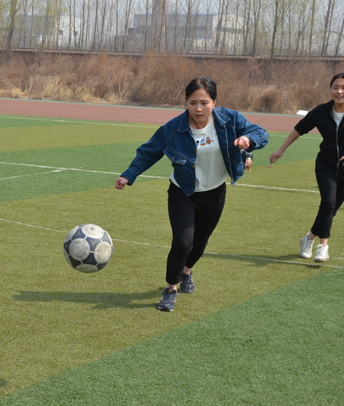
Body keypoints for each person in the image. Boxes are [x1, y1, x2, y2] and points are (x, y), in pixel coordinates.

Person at [115, 77, 269, 312]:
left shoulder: (229, 119)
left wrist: (248, 140)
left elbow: (259, 132)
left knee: (199, 243)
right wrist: (129, 174)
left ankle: (186, 272)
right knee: (183, 242)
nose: (198, 108)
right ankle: (170, 288)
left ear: (214, 102)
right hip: (183, 192)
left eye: (204, 102)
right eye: (192, 102)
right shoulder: (173, 128)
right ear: (186, 103)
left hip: (215, 192)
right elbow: (149, 151)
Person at [269, 72, 344, 263]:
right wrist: (281, 149)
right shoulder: (321, 111)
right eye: (335, 87)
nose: (339, 91)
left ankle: (309, 238)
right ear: (330, 89)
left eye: (343, 88)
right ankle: (323, 247)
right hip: (325, 165)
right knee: (328, 203)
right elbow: (300, 127)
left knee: (332, 209)